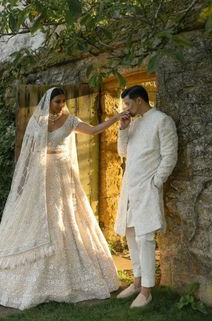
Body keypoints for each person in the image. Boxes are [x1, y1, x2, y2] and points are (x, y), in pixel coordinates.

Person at [0, 87, 125, 310]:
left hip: (63, 175)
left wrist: (115, 118)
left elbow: (94, 130)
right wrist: (21, 182)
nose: (60, 105)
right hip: (40, 177)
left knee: (65, 218)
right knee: (39, 219)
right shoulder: (37, 121)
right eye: (57, 101)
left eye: (63, 101)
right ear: (48, 102)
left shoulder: (70, 120)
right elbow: (27, 153)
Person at [115, 85, 178, 308]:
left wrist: (156, 182)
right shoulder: (133, 122)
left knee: (146, 238)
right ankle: (136, 281)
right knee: (131, 234)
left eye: (128, 104)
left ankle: (146, 290)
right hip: (130, 188)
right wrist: (123, 129)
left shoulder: (162, 121)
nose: (126, 109)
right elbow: (123, 152)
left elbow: (170, 155)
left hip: (148, 187)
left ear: (139, 101)